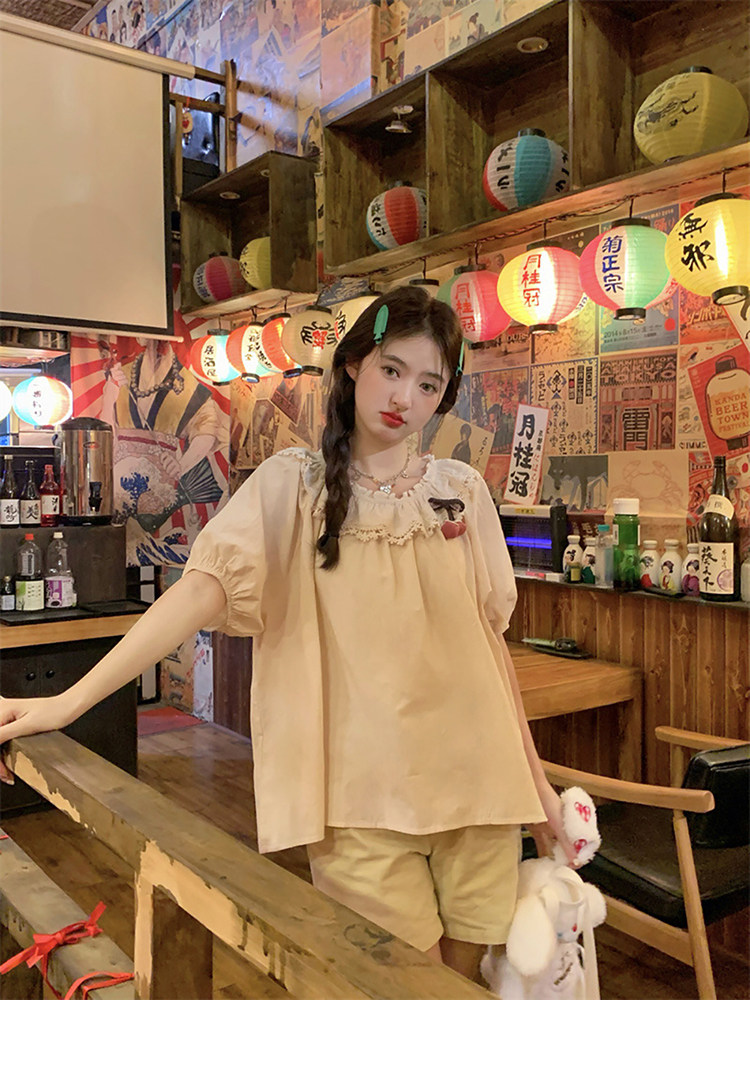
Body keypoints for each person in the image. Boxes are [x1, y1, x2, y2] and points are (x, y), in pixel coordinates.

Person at [0, 287, 575, 985]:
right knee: (405, 997)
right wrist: (67, 702)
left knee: (469, 986)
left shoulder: (462, 491)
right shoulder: (292, 487)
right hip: (357, 803)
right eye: (392, 370)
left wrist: (536, 789)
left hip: (482, 788)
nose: (406, 397)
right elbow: (195, 594)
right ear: (355, 365)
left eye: (429, 384)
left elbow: (489, 649)